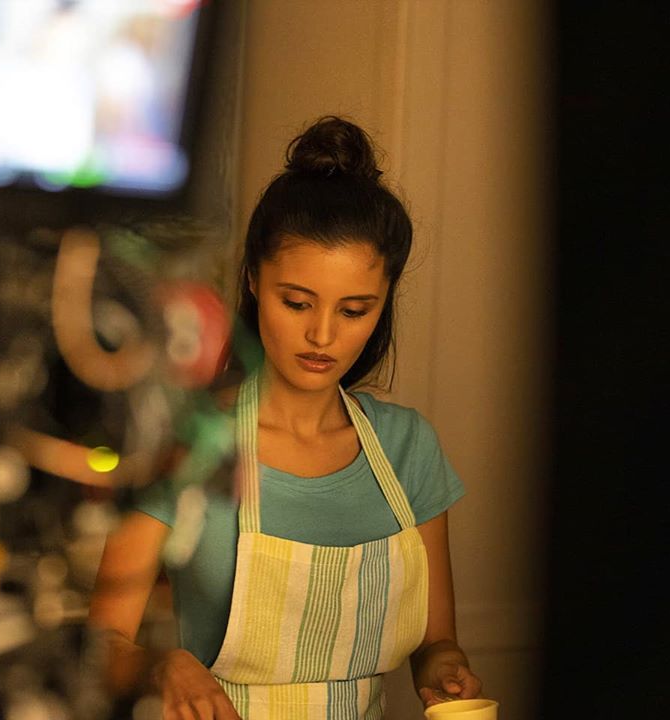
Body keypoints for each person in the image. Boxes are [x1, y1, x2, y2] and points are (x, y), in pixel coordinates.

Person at [88, 116, 482, 719]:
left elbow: (436, 642)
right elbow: (99, 646)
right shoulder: (185, 443)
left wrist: (446, 669)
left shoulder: (408, 448)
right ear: (253, 279)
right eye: (297, 302)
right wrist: (160, 664)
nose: (322, 335)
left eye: (354, 310)